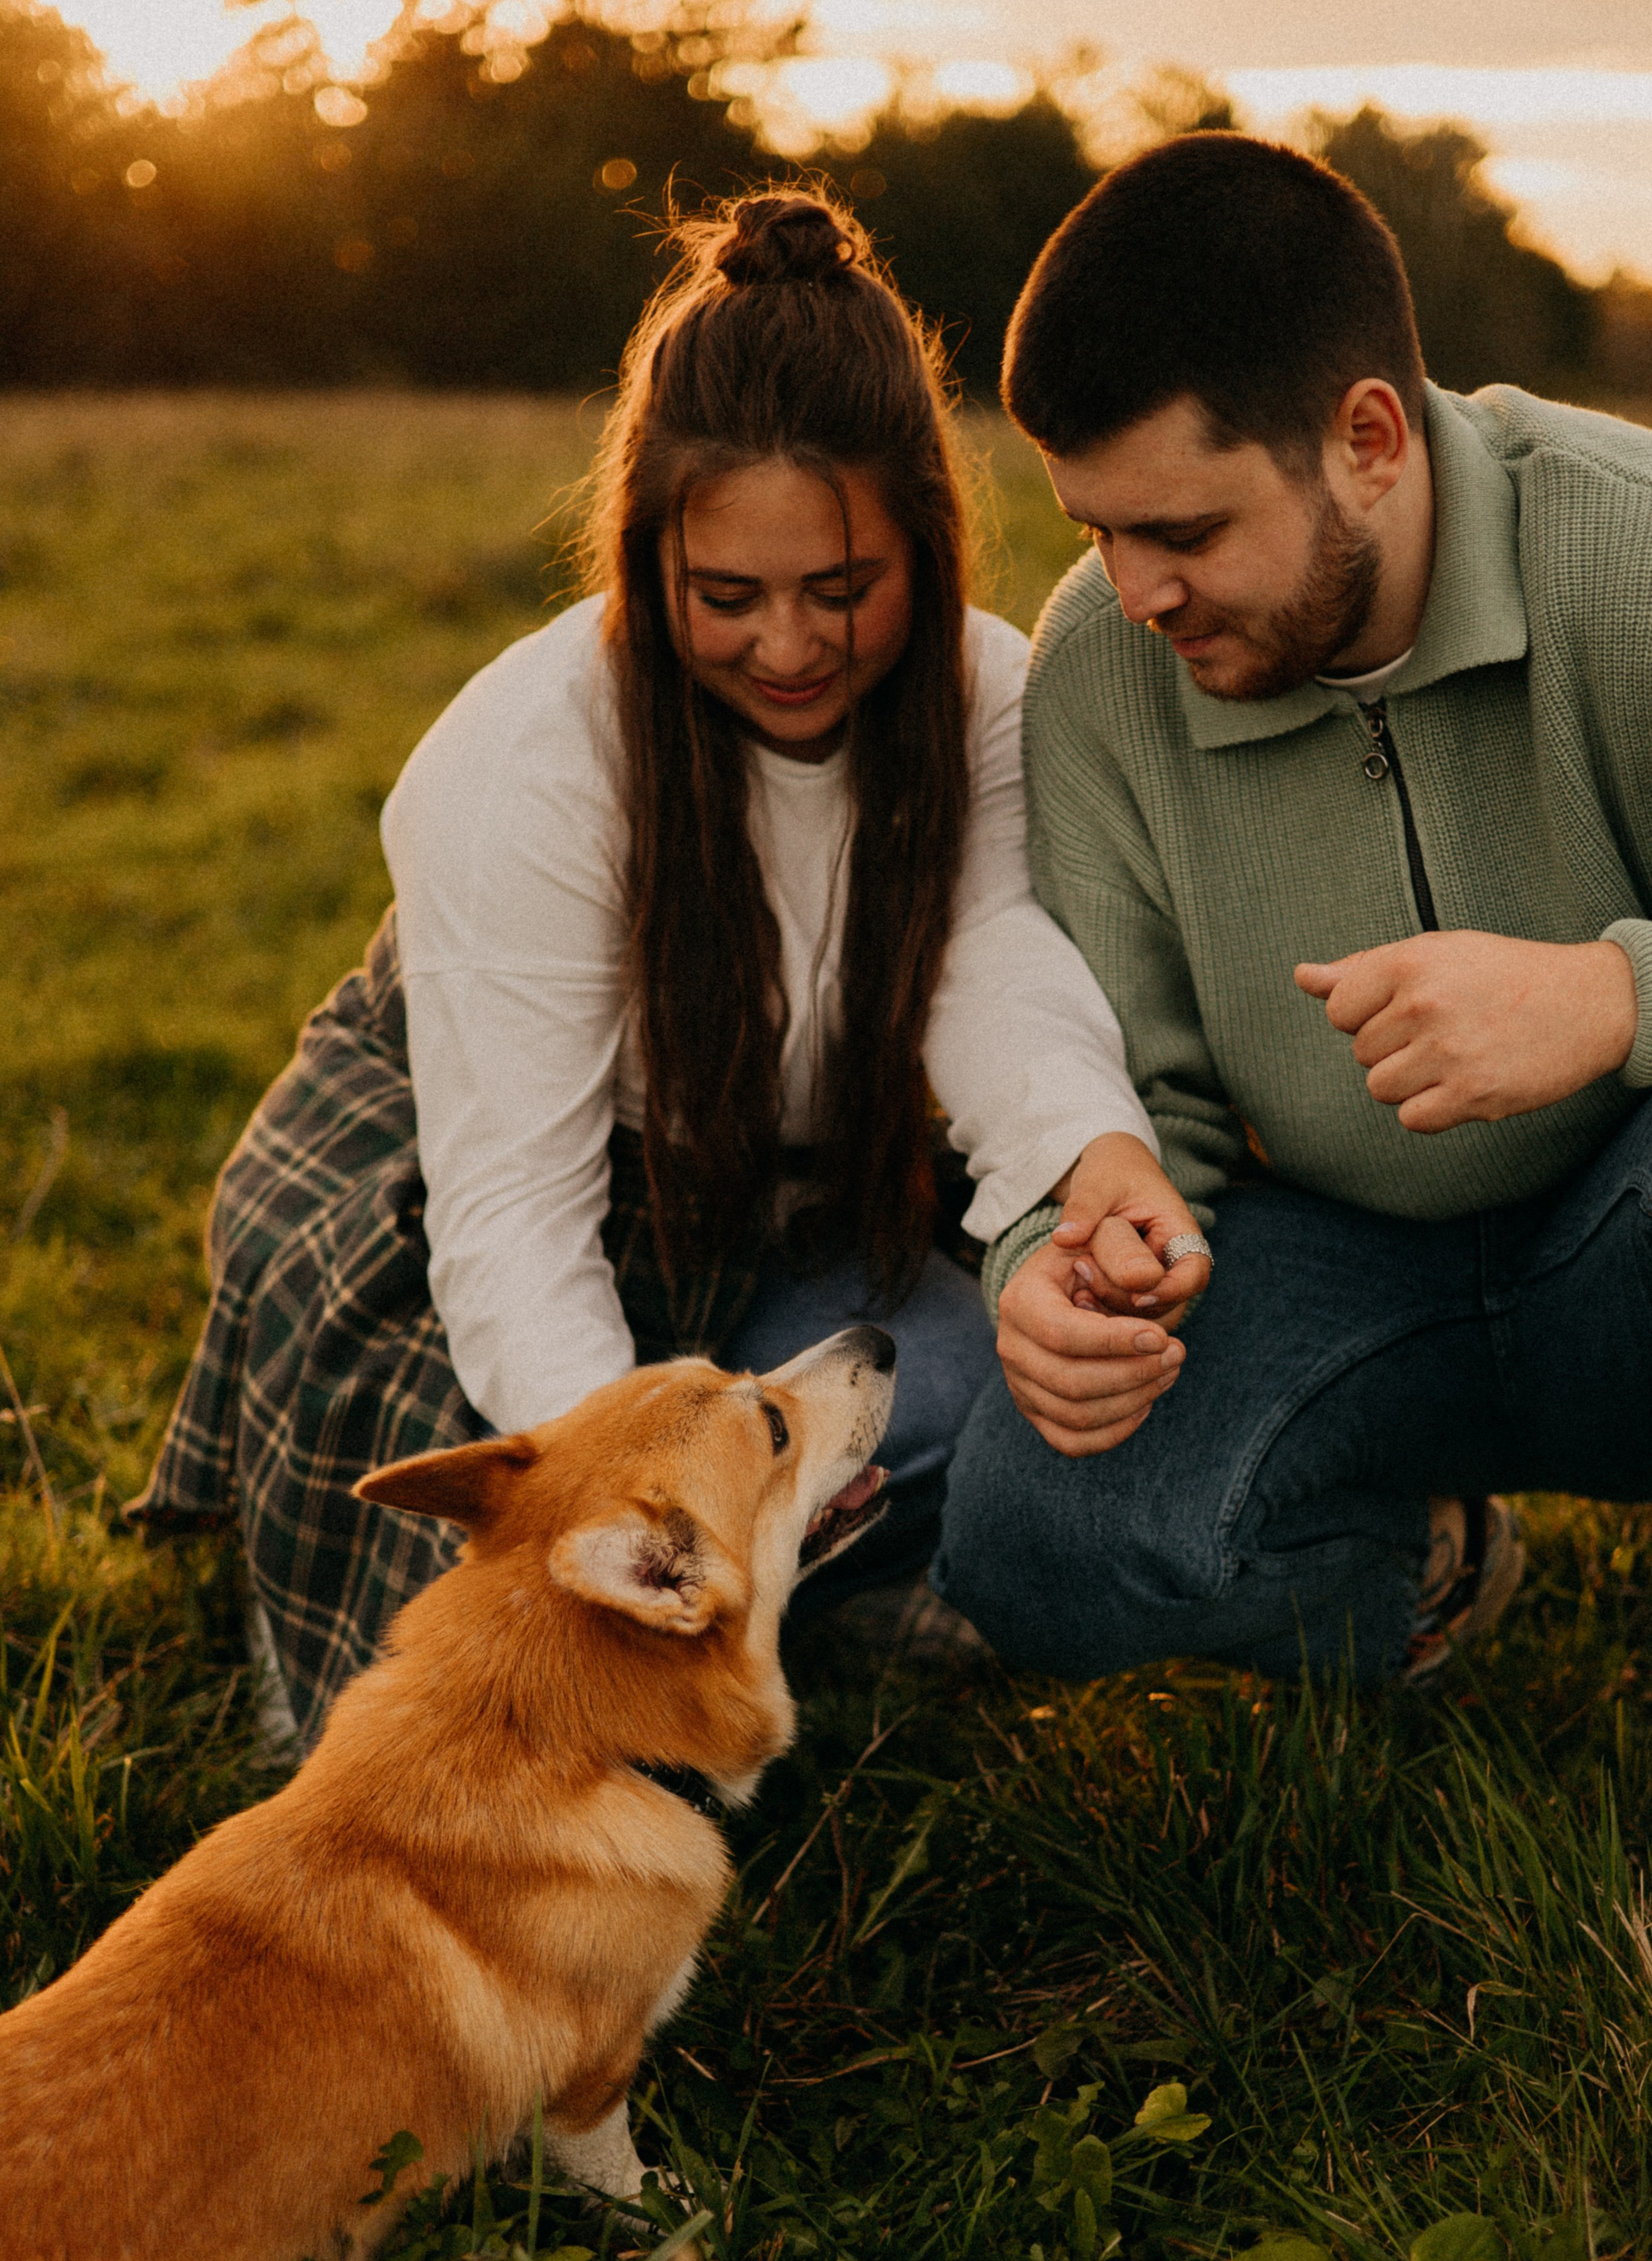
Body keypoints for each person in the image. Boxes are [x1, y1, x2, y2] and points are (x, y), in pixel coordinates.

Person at [131, 187, 1198, 1745]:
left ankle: (795, 1590)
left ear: (926, 534)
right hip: (467, 1195)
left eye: (844, 589)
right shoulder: (527, 761)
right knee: (495, 1700)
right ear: (649, 558)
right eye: (727, 598)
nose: (789, 646)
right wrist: (648, 1500)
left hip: (798, 1201)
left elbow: (987, 962)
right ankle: (759, 1597)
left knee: (1002, 1390)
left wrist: (1080, 1159)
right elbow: (508, 1214)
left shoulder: (987, 694)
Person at [932, 132, 1652, 1690]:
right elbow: (1124, 1091)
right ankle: (1419, 1566)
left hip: (1623, 1226)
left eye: (1183, 532)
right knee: (1030, 1536)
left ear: (1369, 439)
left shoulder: (1625, 546)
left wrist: (1609, 1000)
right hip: (1325, 1265)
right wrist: (1070, 1250)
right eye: (1093, 532)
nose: (1134, 593)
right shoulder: (1100, 667)